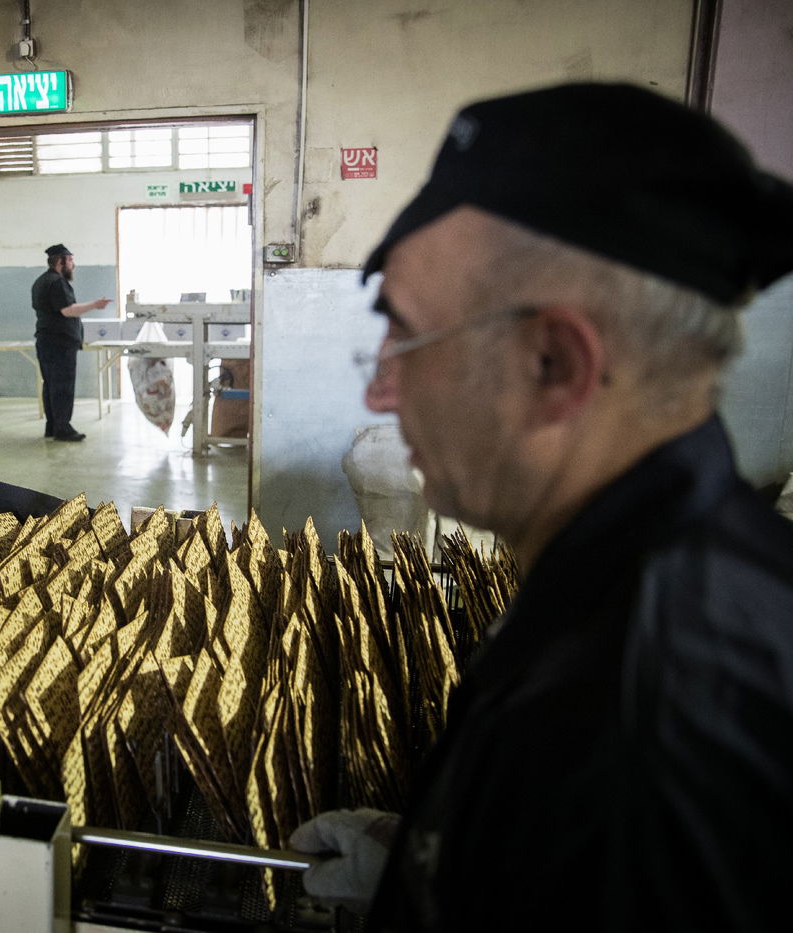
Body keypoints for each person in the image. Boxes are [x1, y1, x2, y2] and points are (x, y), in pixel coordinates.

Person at [289, 82, 793, 931]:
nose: (380, 391)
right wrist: (442, 856)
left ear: (554, 363)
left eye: (406, 336)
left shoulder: (657, 729)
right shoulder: (631, 595)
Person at [32, 244, 111, 441]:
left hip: (46, 341)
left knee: (50, 385)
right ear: (60, 261)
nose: (73, 265)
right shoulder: (57, 283)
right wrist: (95, 305)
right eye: (70, 260)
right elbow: (67, 310)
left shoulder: (41, 281)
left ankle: (52, 426)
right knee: (62, 386)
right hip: (60, 344)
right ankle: (63, 429)